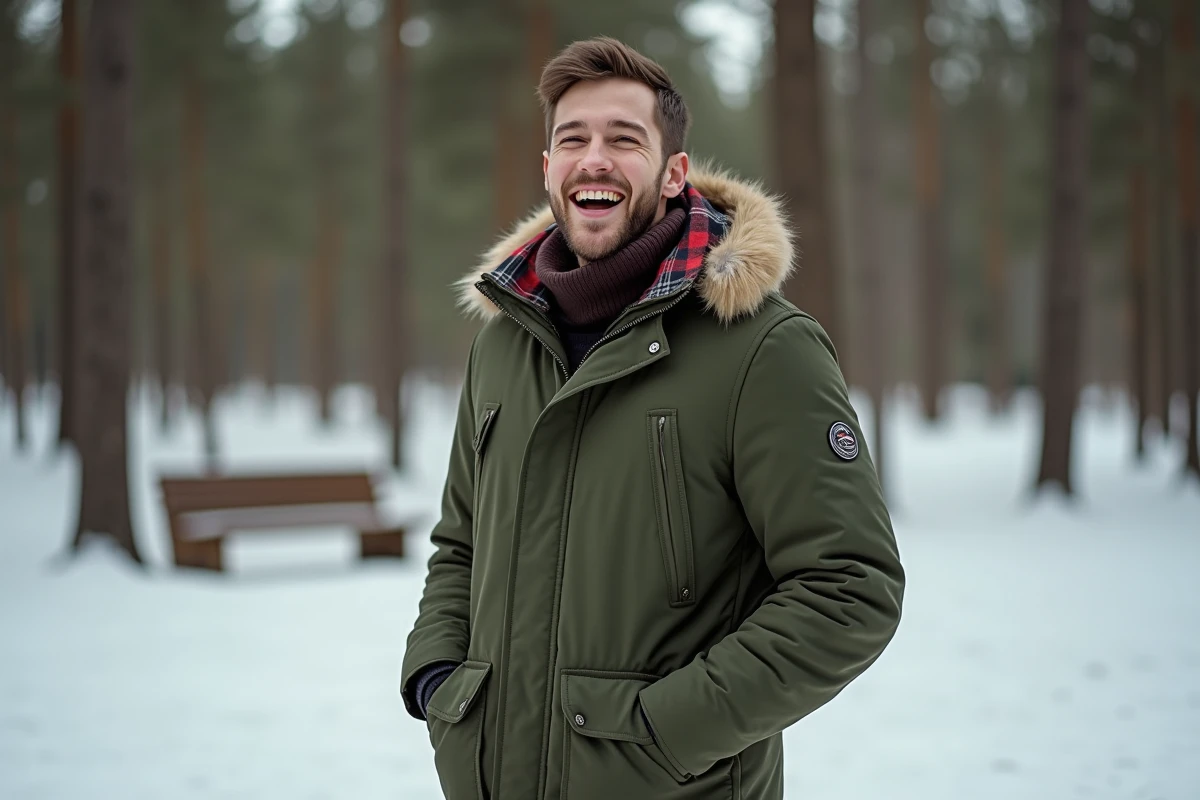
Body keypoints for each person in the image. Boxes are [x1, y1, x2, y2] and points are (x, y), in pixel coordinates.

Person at [400, 36, 904, 800]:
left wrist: (670, 731)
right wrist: (439, 681)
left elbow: (848, 587)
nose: (593, 159)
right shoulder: (503, 343)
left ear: (674, 174)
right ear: (548, 171)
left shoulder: (764, 348)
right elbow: (461, 542)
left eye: (623, 139)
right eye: (572, 139)